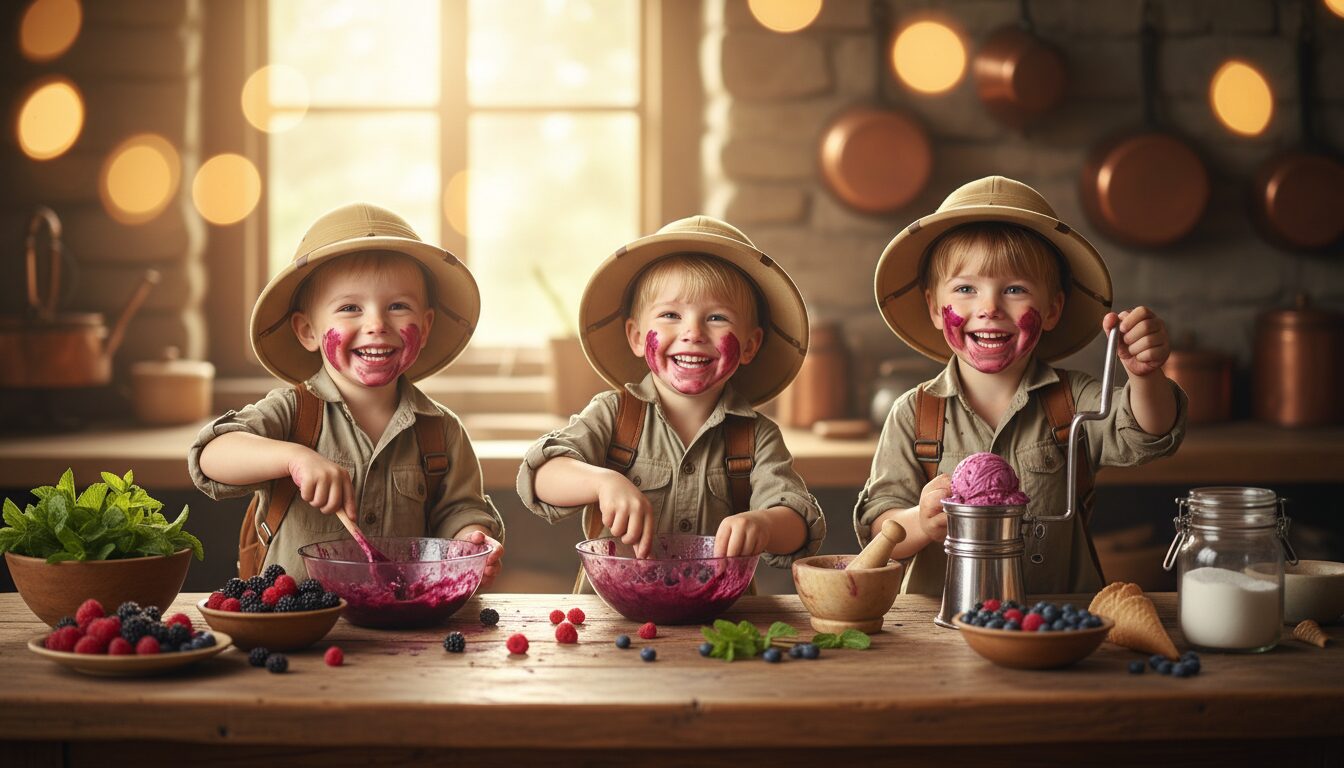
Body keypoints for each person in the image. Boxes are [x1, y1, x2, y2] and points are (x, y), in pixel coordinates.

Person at [857, 176, 1186, 595]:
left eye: (1014, 289)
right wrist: (918, 523)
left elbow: (1148, 433)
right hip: (940, 630)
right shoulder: (914, 413)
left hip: (1058, 618)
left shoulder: (1074, 402)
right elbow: (878, 525)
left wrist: (1145, 375)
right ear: (934, 309)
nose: (989, 308)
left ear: (1052, 309)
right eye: (965, 289)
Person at [190, 203, 504, 584]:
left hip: (403, 624)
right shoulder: (294, 414)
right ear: (307, 331)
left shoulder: (441, 431)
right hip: (299, 628)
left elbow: (458, 509)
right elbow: (211, 455)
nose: (376, 324)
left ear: (425, 325)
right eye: (350, 308)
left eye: (398, 306)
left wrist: (470, 539)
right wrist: (294, 458)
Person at [517, 216, 825, 591]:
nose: (693, 332)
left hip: (721, 619)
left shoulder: (756, 436)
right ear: (635, 336)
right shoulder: (614, 415)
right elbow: (540, 475)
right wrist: (602, 482)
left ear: (749, 345)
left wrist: (763, 524)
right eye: (670, 315)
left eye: (716, 317)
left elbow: (798, 522)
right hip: (616, 619)